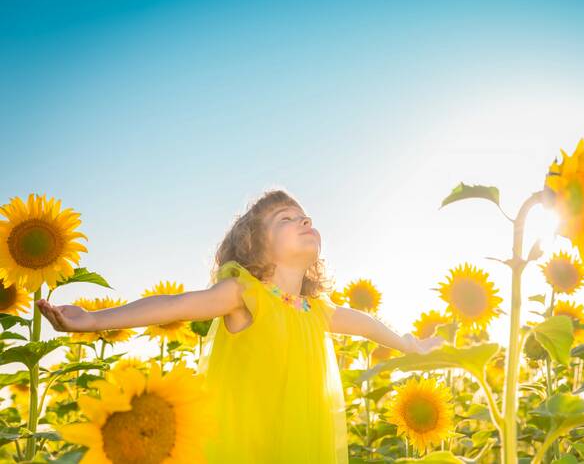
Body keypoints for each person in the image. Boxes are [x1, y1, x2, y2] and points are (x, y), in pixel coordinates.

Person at [37, 188, 446, 462]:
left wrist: (410, 345)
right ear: (255, 244)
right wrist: (93, 320)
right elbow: (175, 305)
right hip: (244, 443)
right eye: (287, 218)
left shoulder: (316, 309)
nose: (305, 222)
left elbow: (367, 324)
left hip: (304, 442)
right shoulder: (244, 294)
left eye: (307, 217)